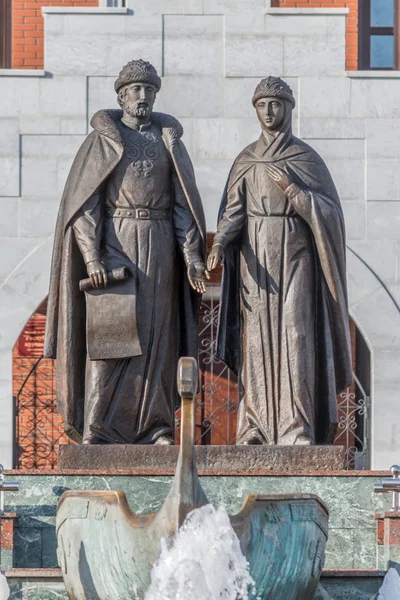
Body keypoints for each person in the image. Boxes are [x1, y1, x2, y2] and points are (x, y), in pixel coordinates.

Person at [44, 59, 208, 445]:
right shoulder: (104, 140)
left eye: (149, 90)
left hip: (161, 243)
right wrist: (93, 258)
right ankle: (98, 429)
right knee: (111, 339)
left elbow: (183, 206)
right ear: (121, 96)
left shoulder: (168, 142)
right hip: (117, 244)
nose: (143, 96)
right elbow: (85, 206)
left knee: (156, 341)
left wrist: (192, 256)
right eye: (135, 90)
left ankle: (157, 428)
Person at [207, 76, 352, 446]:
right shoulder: (247, 159)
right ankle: (253, 428)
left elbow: (331, 215)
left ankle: (297, 428)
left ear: (288, 108)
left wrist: (295, 192)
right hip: (255, 261)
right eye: (262, 105)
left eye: (276, 104)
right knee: (255, 342)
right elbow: (233, 212)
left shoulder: (305, 159)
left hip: (296, 255)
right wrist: (220, 243)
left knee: (296, 335)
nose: (269, 112)